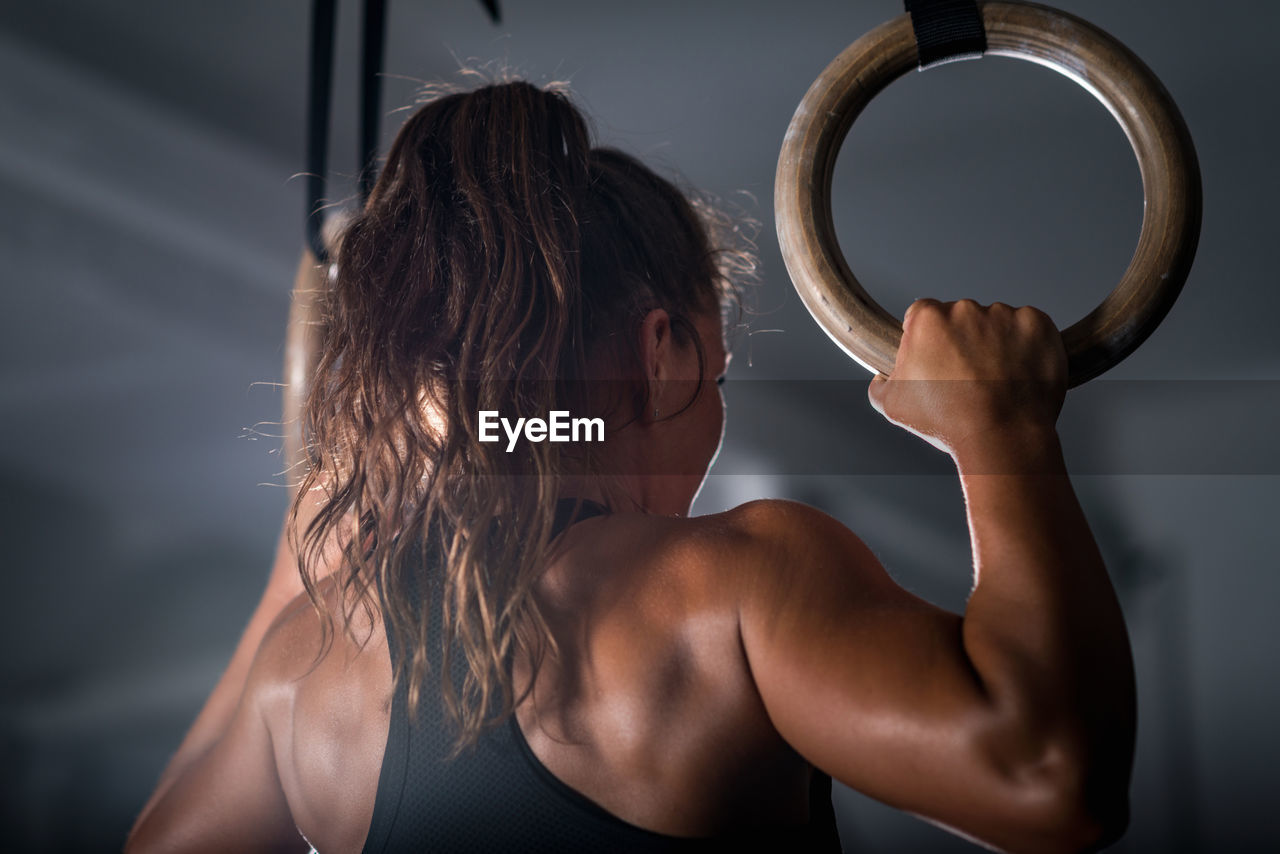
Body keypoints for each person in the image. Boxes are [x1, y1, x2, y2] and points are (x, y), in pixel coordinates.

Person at [126, 78, 1135, 853]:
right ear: (662, 353)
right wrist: (1000, 432)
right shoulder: (726, 586)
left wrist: (291, 567)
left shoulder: (312, 667)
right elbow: (1049, 777)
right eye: (718, 371)